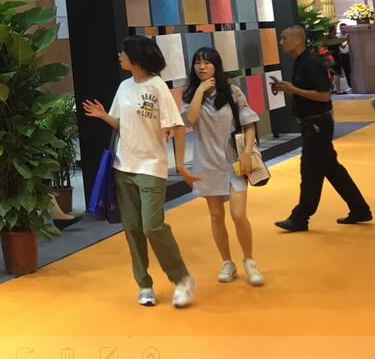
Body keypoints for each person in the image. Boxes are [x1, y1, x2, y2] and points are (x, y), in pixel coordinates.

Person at [82, 36, 198, 308]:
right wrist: (104, 116)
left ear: (136, 57)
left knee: (152, 226)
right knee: (132, 228)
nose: (119, 56)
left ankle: (182, 278)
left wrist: (181, 164)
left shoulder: (157, 86)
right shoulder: (123, 86)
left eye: (123, 53)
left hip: (151, 167)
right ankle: (144, 284)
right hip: (123, 166)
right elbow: (120, 124)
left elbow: (177, 126)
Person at [272, 25, 372, 231]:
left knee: (310, 170)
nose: (281, 42)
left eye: (284, 38)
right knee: (332, 169)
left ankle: (300, 217)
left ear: (298, 40)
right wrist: (288, 88)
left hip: (317, 124)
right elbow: (308, 92)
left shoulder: (310, 63)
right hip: (313, 123)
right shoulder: (301, 62)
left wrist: (293, 89)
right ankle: (360, 209)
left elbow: (324, 96)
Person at [181, 47, 265, 286]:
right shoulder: (190, 95)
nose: (202, 67)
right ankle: (227, 262)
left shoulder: (233, 91)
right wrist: (199, 90)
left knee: (238, 214)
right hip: (207, 164)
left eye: (207, 62)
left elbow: (249, 124)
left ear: (216, 65)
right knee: (216, 216)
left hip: (235, 163)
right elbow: (189, 120)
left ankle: (249, 260)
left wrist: (247, 152)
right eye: (197, 63)